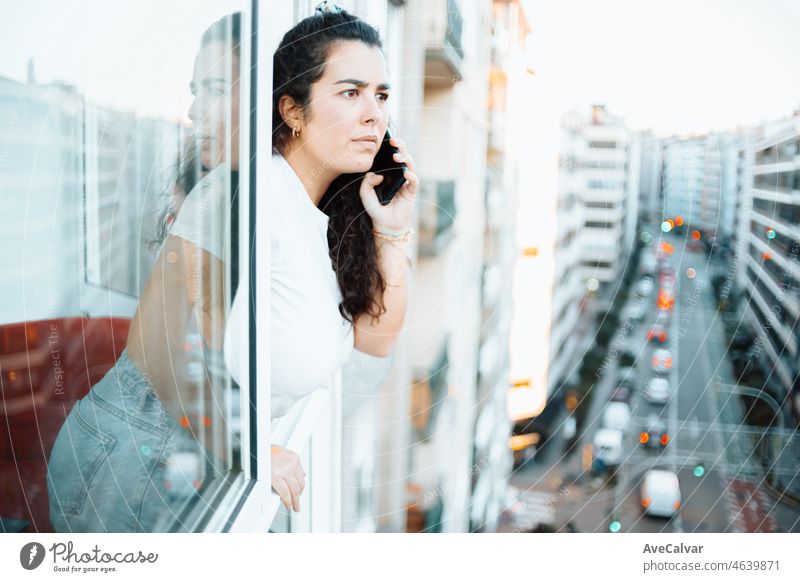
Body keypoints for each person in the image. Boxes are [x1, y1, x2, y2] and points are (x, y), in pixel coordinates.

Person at [47, 13, 242, 533]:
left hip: (136, 450)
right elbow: (167, 355)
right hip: (123, 459)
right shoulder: (214, 194)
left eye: (216, 89)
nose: (195, 108)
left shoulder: (237, 192)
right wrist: (250, 456)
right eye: (197, 89)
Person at [223, 4, 418, 514]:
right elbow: (171, 354)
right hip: (149, 471)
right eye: (351, 93)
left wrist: (391, 232)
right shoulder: (257, 196)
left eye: (380, 95)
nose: (374, 113)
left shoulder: (323, 214)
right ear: (292, 111)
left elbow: (370, 353)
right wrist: (247, 450)